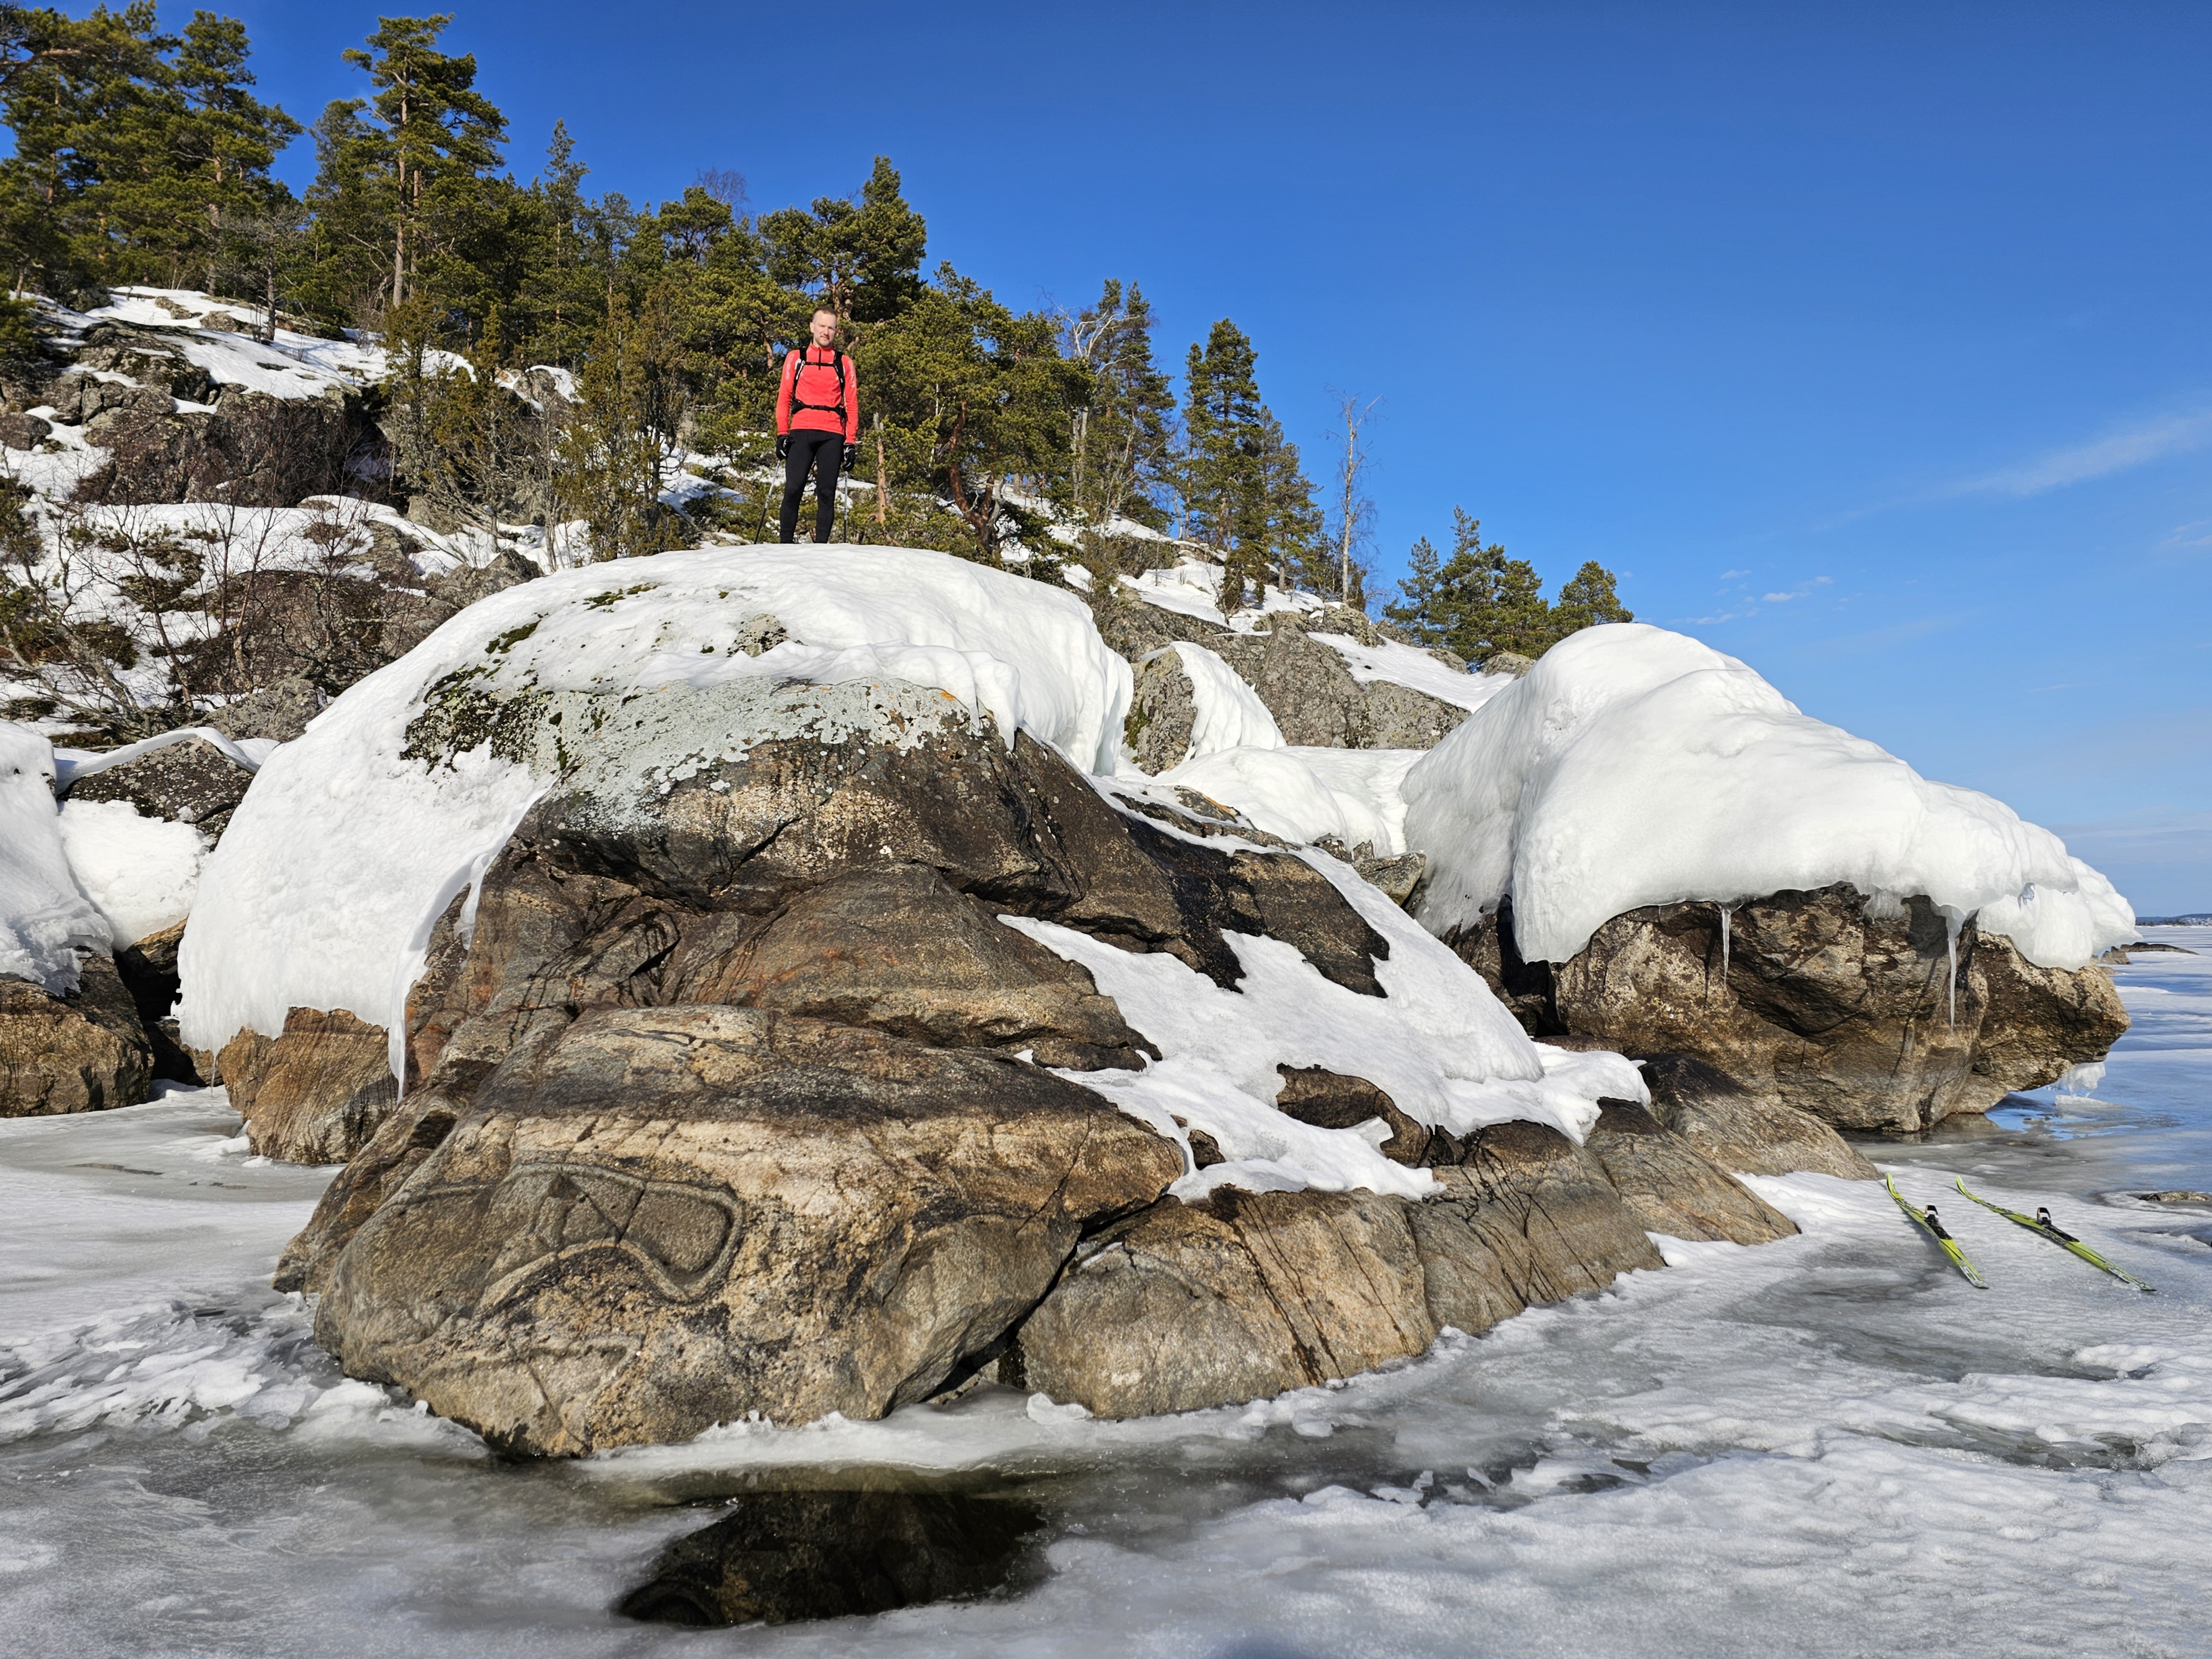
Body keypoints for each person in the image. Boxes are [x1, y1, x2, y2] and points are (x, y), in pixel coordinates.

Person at [775, 306, 862, 544]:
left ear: (836, 331)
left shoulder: (844, 363)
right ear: (812, 327)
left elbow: (852, 405)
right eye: (822, 326)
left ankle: (821, 549)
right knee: (794, 488)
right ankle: (784, 546)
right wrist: (782, 433)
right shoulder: (796, 358)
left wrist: (850, 442)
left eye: (831, 327)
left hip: (833, 433)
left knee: (826, 493)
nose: (826, 331)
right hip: (801, 430)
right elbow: (784, 398)